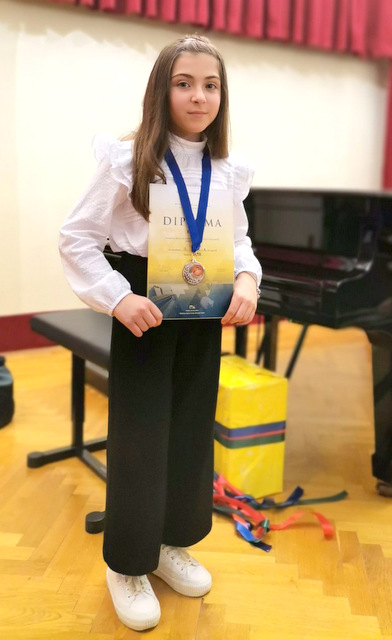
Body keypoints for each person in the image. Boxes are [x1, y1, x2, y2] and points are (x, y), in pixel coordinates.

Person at [59, 34, 262, 632]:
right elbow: (77, 238)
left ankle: (171, 542)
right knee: (141, 434)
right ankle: (126, 563)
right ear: (160, 91)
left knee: (191, 429)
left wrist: (247, 279)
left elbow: (239, 241)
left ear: (222, 95)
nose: (199, 96)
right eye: (184, 83)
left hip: (203, 307)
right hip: (144, 307)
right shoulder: (126, 160)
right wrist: (118, 298)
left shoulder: (227, 169)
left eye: (211, 85)